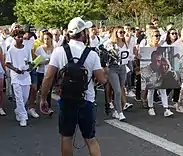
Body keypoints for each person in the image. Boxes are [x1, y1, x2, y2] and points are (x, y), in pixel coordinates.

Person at [40, 17, 107, 156]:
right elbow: (102, 79)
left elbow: (48, 77)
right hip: (86, 100)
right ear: (83, 33)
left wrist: (43, 98)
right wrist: (105, 70)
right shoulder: (92, 54)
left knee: (66, 138)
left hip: (67, 99)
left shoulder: (59, 51)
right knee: (90, 139)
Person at [6, 29, 32, 127]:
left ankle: (18, 110)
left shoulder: (27, 48)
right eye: (18, 37)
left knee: (25, 97)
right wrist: (15, 69)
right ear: (14, 38)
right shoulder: (11, 50)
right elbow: (7, 63)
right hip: (16, 77)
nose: (21, 39)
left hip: (26, 76)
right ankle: (23, 117)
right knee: (19, 98)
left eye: (22, 37)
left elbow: (30, 62)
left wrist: (30, 67)